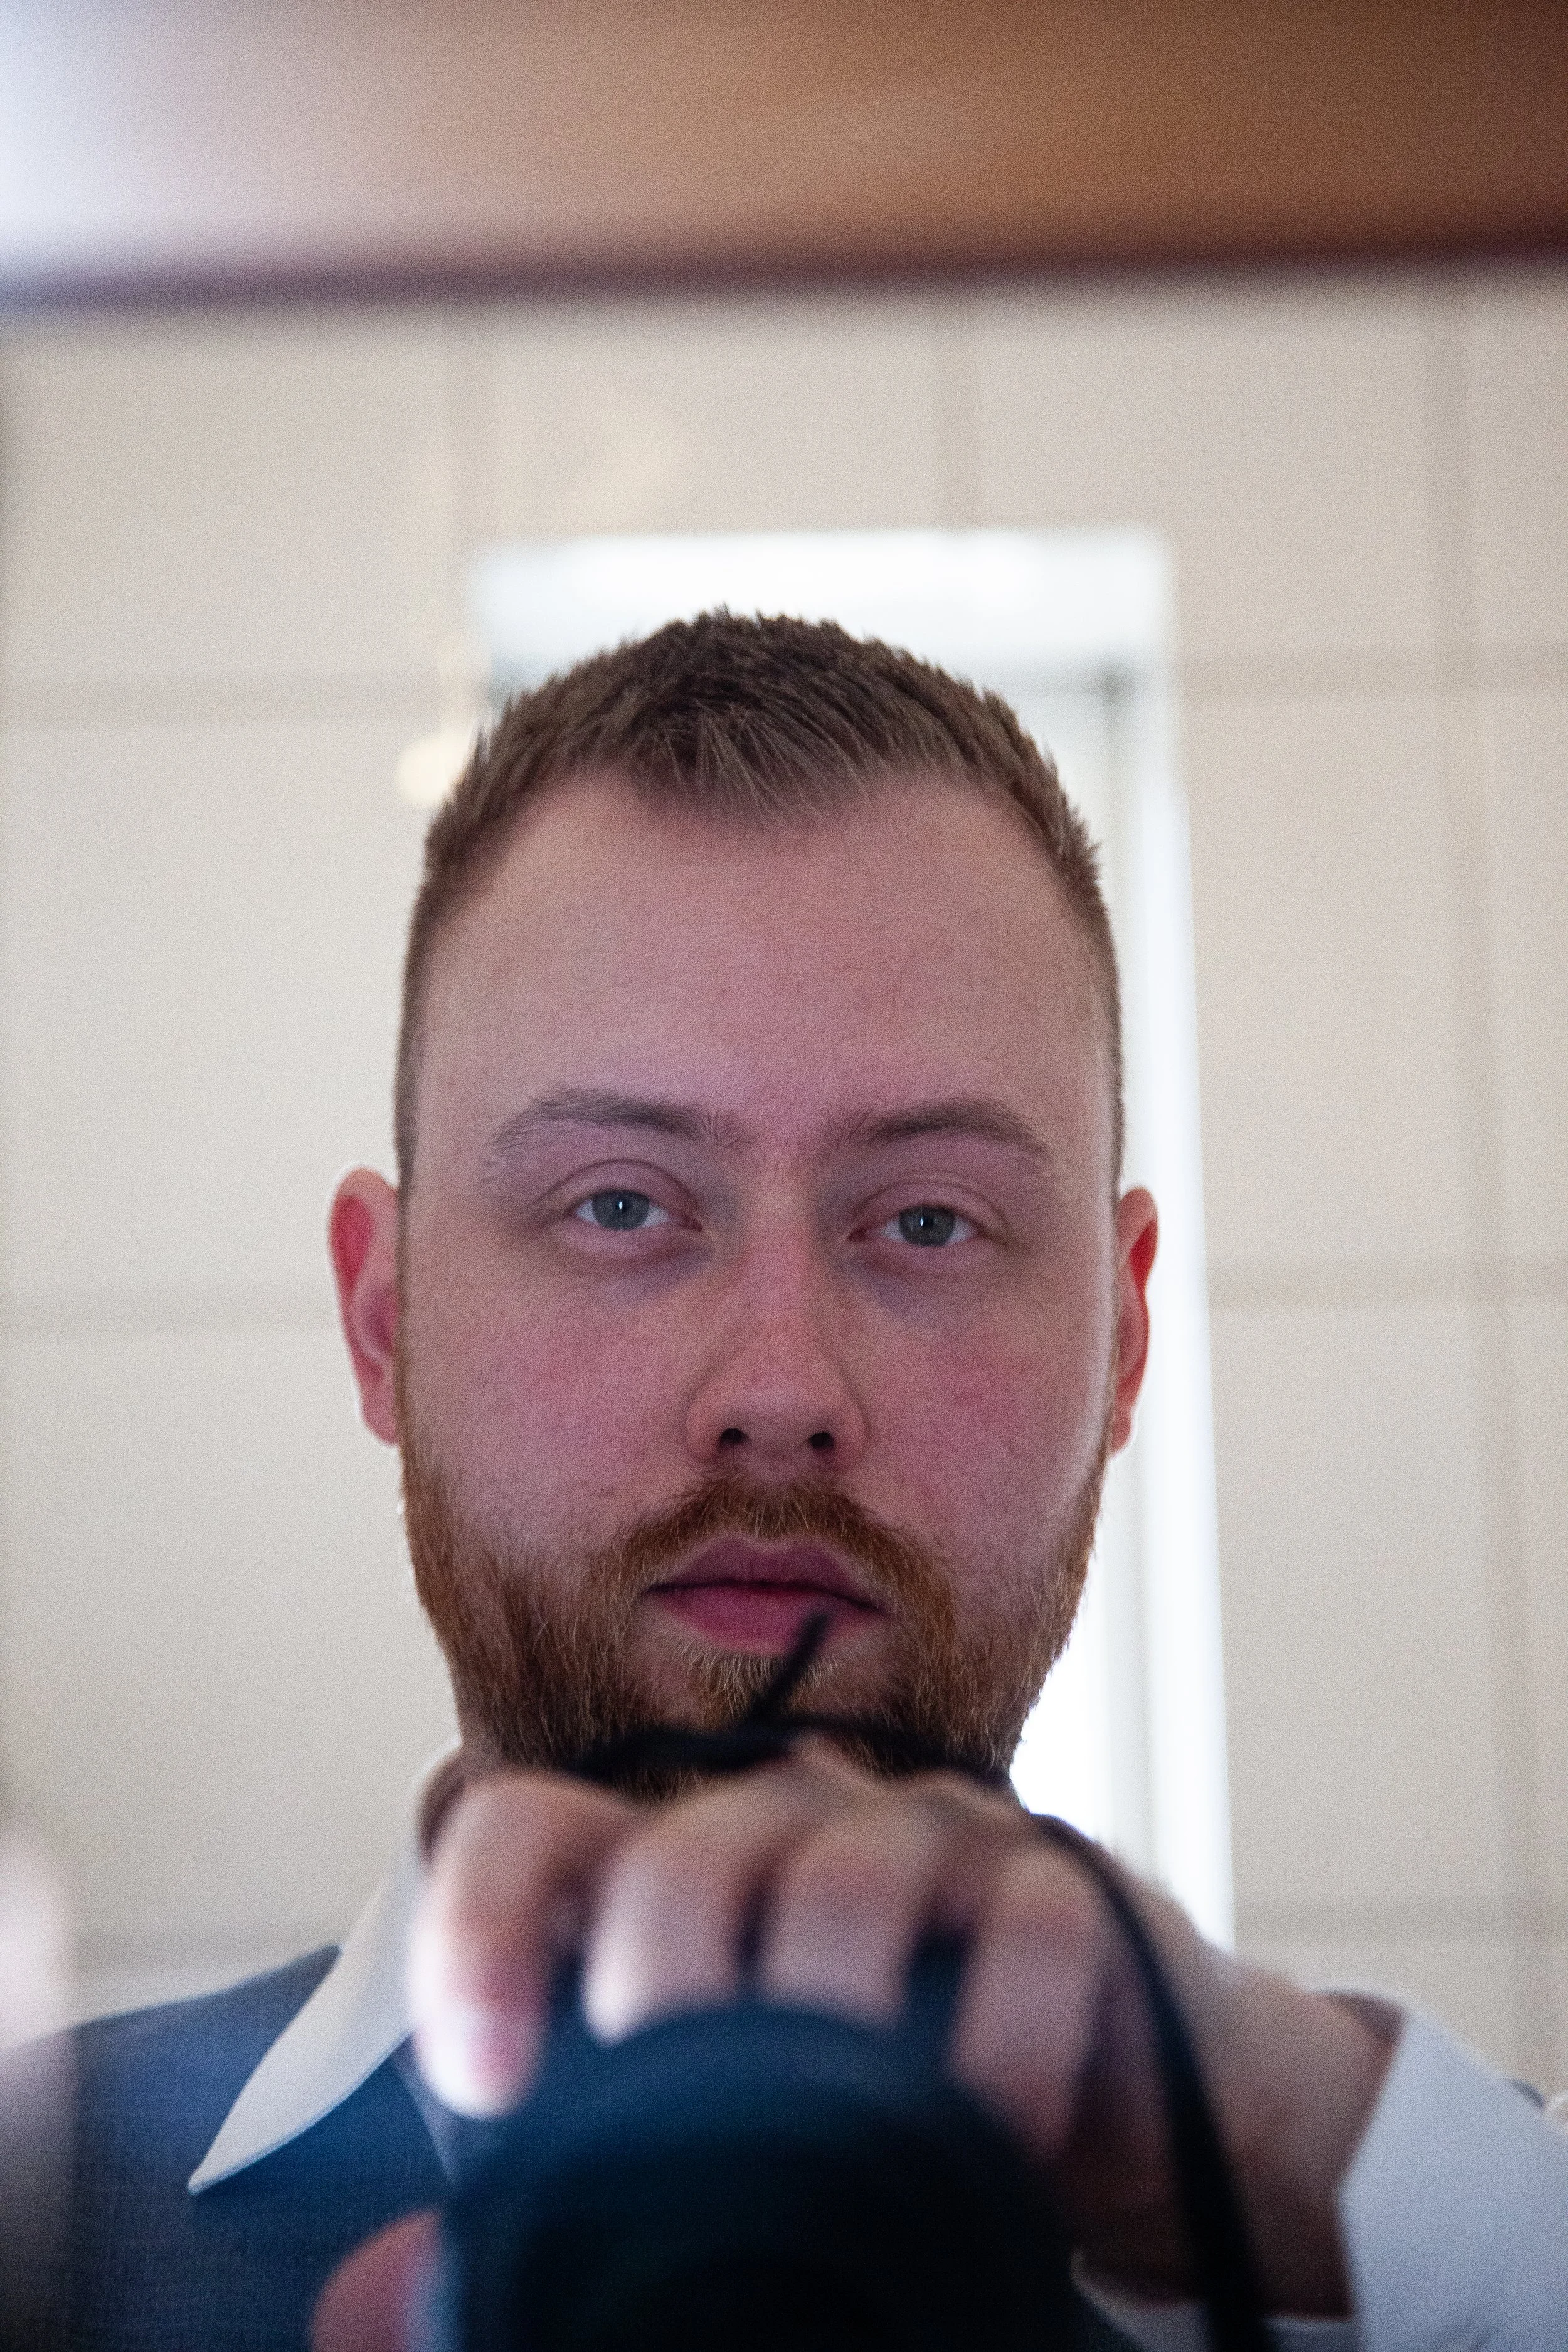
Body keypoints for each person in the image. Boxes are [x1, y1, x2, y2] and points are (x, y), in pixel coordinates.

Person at [4, 616, 1565, 2351]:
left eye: (924, 1221)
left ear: (1120, 1341)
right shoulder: (35, 2232)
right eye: (617, 1205)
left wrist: (1345, 2162)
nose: (776, 1393)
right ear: (386, 1320)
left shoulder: (1413, 2266)